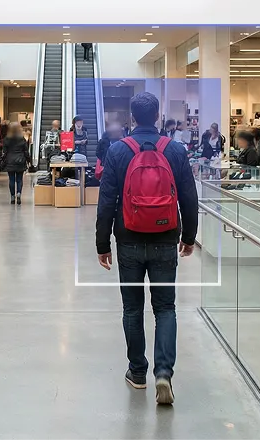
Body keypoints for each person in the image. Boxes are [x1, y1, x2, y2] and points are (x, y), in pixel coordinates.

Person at [96, 91, 198, 406]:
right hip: (166, 237)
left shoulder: (117, 151)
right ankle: (164, 373)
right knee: (165, 308)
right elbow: (188, 198)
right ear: (157, 117)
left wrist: (102, 243)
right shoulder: (176, 150)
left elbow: (106, 200)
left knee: (132, 308)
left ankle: (137, 372)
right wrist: (189, 236)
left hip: (127, 239)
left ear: (132, 117)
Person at [0, 122, 31, 204]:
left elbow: (4, 152)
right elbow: (26, 152)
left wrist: (2, 161)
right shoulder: (22, 139)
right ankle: (19, 193)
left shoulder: (6, 139)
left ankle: (12, 196)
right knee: (19, 179)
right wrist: (29, 160)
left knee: (11, 179)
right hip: (20, 161)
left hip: (10, 161)